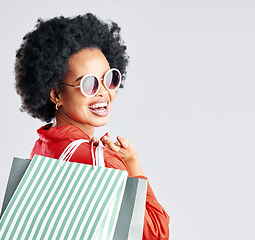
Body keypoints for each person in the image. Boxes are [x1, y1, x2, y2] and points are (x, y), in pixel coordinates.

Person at [15, 13, 170, 239]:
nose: (104, 92)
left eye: (109, 79)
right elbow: (156, 233)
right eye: (88, 83)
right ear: (56, 94)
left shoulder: (44, 144)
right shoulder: (103, 162)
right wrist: (132, 164)